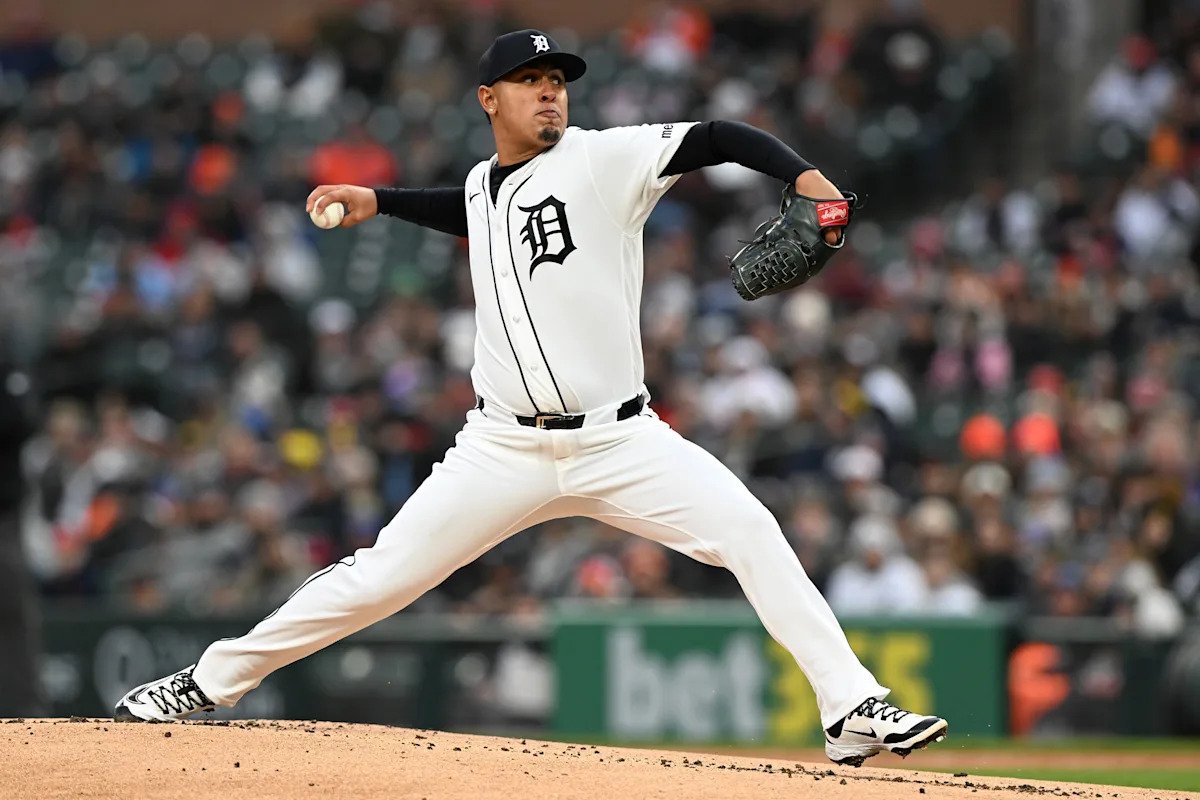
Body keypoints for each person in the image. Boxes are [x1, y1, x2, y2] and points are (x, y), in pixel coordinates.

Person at [115, 29, 948, 767]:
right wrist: (380, 200)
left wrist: (806, 176)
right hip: (501, 449)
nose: (550, 92)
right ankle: (206, 683)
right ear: (489, 99)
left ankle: (850, 708)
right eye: (530, 80)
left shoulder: (604, 159)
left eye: (557, 81)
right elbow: (478, 210)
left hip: (621, 441)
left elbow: (717, 136)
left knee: (749, 530)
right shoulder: (483, 184)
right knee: (376, 581)